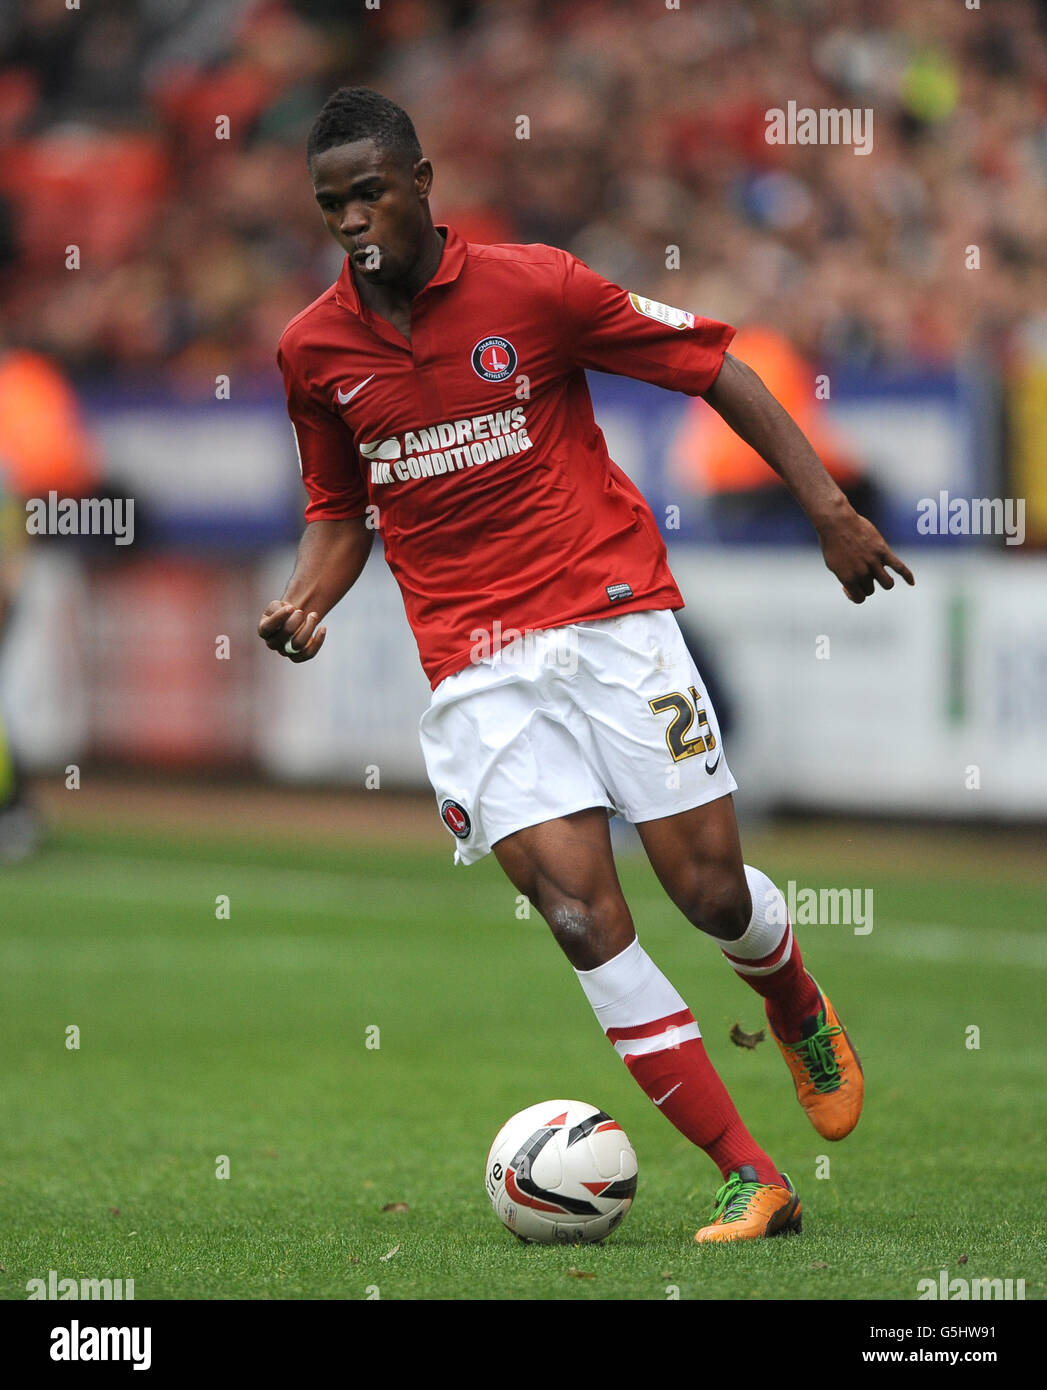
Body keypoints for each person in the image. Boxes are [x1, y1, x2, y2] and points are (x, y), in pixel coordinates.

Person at [259, 88, 914, 1243]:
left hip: (613, 620)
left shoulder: (538, 287)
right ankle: (751, 1174)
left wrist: (830, 511)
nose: (353, 220)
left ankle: (798, 1003)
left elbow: (718, 367)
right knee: (578, 916)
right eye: (331, 205)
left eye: (369, 193)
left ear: (421, 183)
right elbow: (339, 508)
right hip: (474, 668)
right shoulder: (313, 349)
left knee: (709, 891)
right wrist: (308, 601)